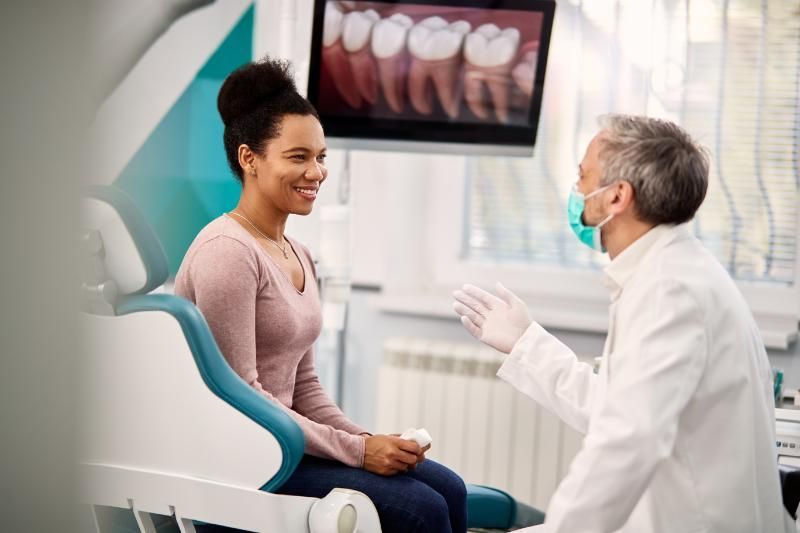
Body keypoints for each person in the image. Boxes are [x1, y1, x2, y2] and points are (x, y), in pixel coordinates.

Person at [453, 114, 792, 533]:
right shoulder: (673, 272)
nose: (576, 192)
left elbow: (626, 442)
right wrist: (526, 344)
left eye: (582, 176)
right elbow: (619, 408)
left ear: (617, 196)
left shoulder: (668, 291)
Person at [174, 56, 466, 533]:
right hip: (243, 459)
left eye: (321, 156)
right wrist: (356, 451)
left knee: (448, 486)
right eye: (298, 157)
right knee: (422, 509)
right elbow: (242, 398)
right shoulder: (226, 252)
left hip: (284, 445)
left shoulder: (299, 253)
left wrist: (368, 439)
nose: (317, 172)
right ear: (249, 158)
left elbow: (303, 387)